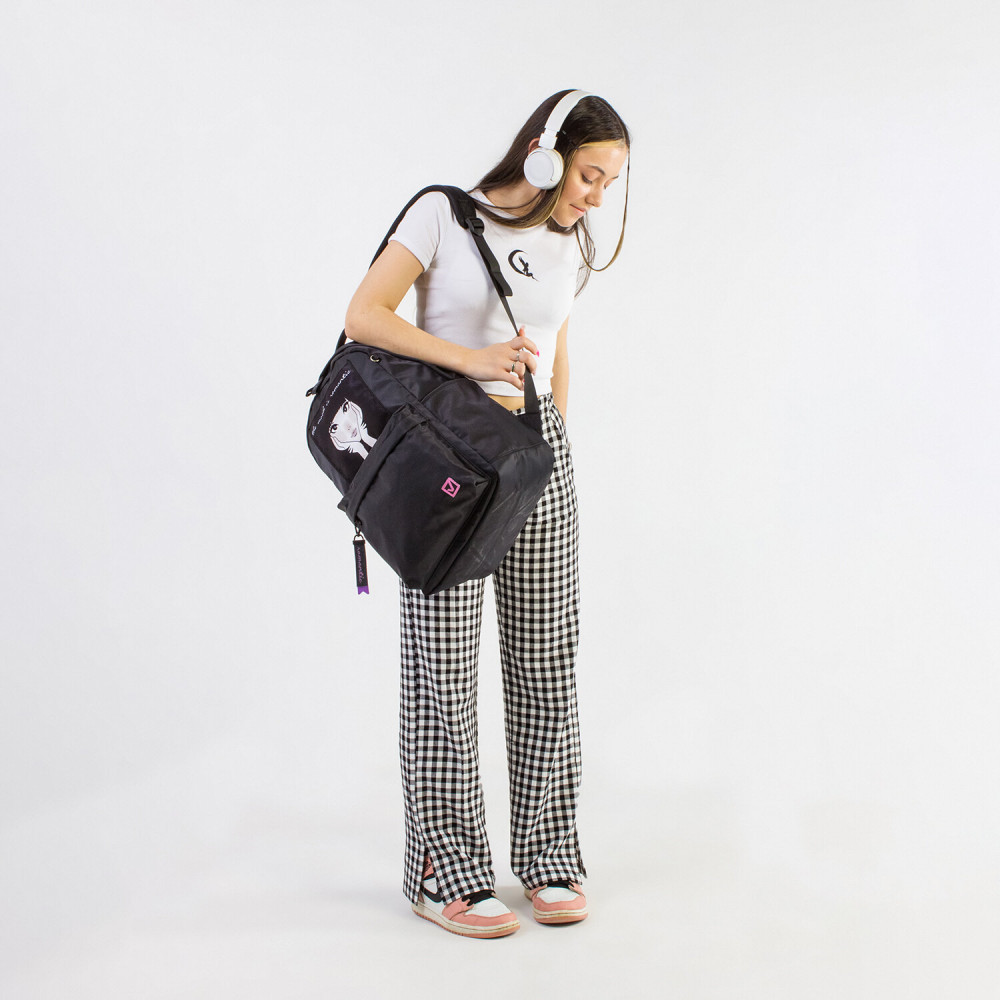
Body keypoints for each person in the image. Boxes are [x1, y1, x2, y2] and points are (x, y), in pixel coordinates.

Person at [344, 90, 630, 938]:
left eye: (610, 183)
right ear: (545, 153)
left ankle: (548, 856)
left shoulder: (569, 244)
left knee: (546, 660)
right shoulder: (441, 215)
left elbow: (558, 352)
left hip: (535, 462)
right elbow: (364, 316)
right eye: (589, 175)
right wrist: (469, 361)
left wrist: (550, 450)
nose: (596, 197)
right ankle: (445, 870)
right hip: (446, 465)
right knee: (444, 669)